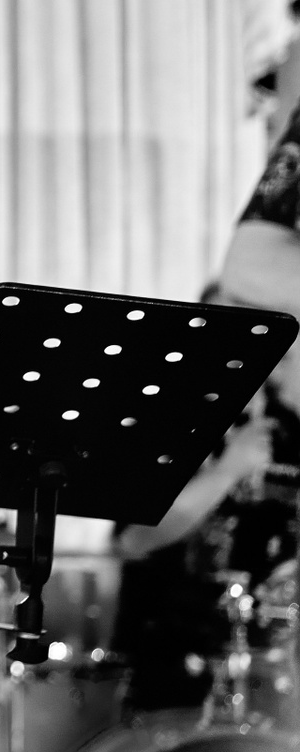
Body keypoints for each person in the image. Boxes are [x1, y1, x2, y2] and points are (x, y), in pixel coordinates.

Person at [107, 105, 300, 711]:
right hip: (175, 676)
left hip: (274, 679)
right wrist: (228, 469)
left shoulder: (290, 422)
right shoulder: (165, 413)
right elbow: (133, 539)